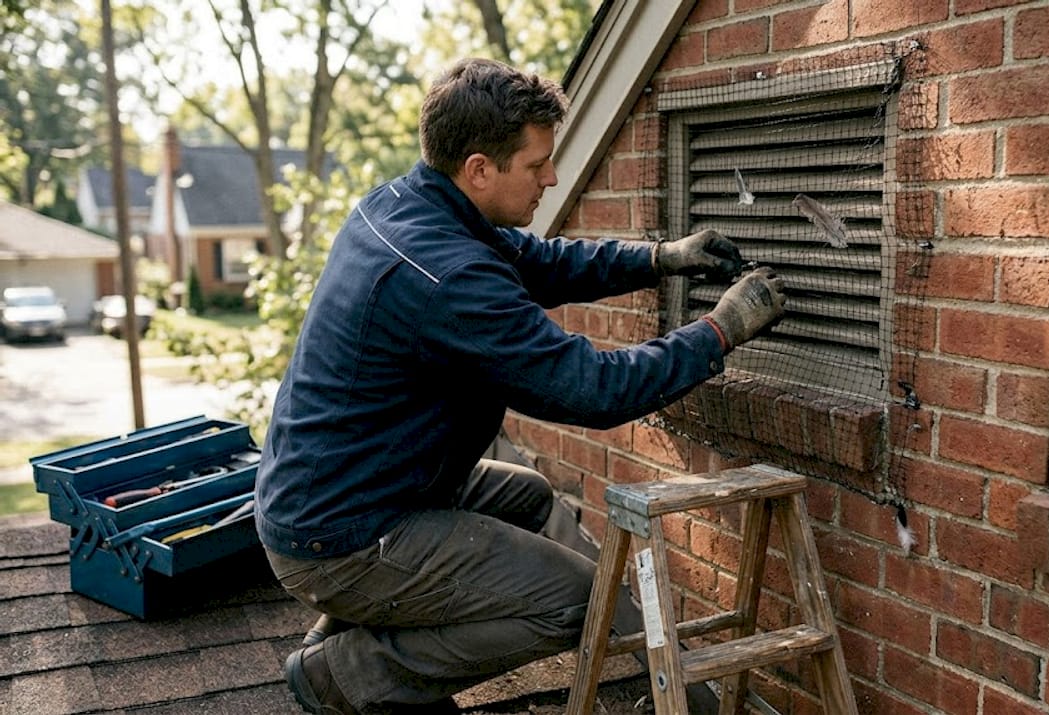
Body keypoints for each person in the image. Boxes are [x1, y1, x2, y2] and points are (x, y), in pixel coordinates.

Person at [255, 56, 786, 714]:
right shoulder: (447, 277)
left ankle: (358, 620)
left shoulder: (410, 206)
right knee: (573, 601)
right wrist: (719, 332)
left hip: (350, 486)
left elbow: (541, 262)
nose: (551, 177)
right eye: (537, 165)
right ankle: (344, 673)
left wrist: (659, 258)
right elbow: (593, 389)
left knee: (528, 496)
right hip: (341, 535)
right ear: (480, 168)